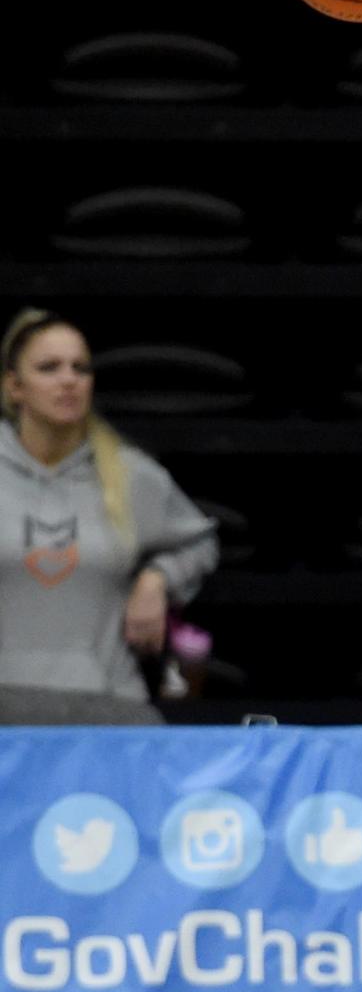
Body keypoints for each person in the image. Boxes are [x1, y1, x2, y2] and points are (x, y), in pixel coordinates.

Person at [0, 308, 218, 724]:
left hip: (107, 708)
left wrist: (157, 578)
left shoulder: (129, 475)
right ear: (15, 387)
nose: (69, 380)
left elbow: (200, 542)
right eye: (49, 368)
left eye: (80, 368)